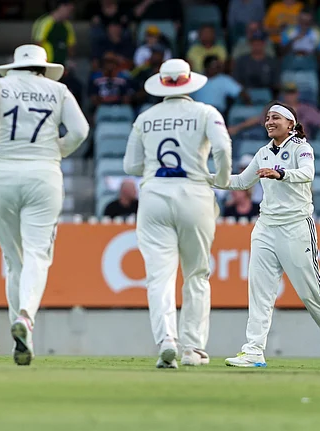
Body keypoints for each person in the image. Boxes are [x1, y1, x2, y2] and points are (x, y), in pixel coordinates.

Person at [0, 44, 89, 366]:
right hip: (43, 174)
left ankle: (23, 334)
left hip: (2, 173)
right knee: (37, 253)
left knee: (14, 261)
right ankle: (26, 317)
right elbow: (81, 130)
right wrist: (57, 151)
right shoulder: (58, 90)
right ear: (42, 67)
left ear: (15, 67)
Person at [215, 101, 320, 369]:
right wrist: (204, 177)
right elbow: (242, 182)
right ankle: (253, 350)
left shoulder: (302, 147)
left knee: (310, 293)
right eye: (267, 118)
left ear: (291, 123)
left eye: (276, 118)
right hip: (266, 227)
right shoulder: (263, 152)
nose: (269, 122)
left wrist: (280, 173)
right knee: (260, 292)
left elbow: (307, 174)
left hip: (296, 226)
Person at [123, 58, 232, 368]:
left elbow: (130, 166)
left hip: (155, 193)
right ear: (189, 82)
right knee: (196, 274)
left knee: (159, 277)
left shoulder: (146, 117)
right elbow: (223, 147)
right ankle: (192, 348)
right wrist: (222, 180)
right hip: (194, 192)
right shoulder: (205, 112)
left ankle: (166, 340)